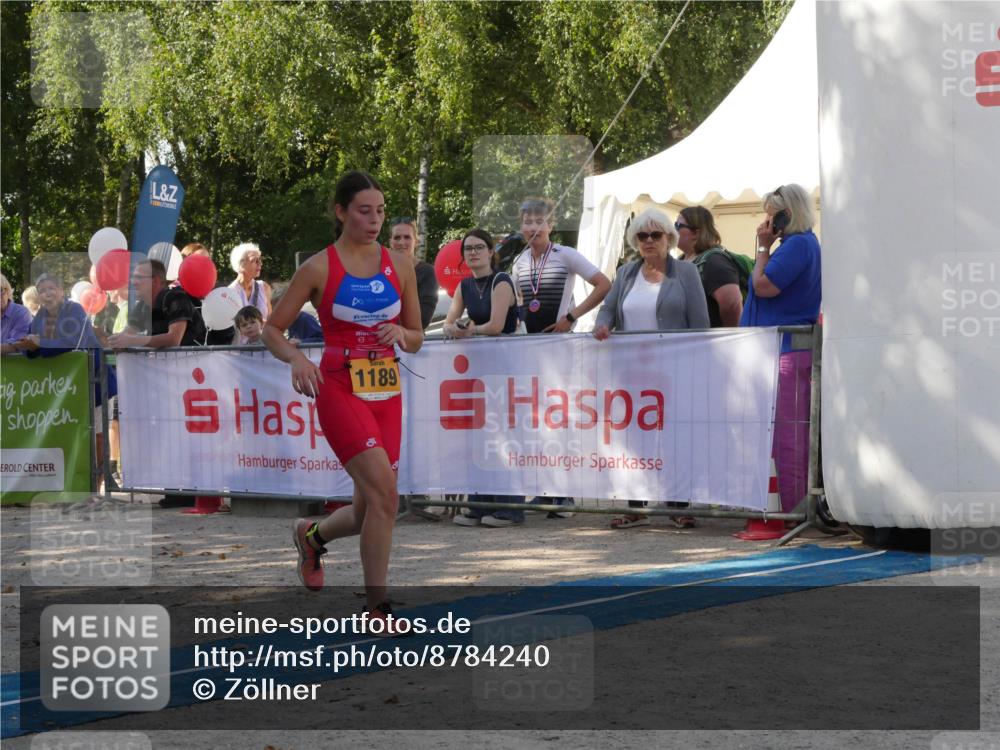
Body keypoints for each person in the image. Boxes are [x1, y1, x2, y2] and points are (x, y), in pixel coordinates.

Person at [260, 170, 423, 628]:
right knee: (387, 497)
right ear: (341, 212)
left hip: (386, 391)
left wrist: (402, 334)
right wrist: (295, 359)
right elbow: (273, 330)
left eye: (380, 212)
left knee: (370, 506)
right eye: (364, 211)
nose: (374, 220)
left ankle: (310, 537)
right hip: (337, 386)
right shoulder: (318, 267)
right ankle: (377, 606)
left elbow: (416, 338)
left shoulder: (401, 265)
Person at [594, 207, 710, 529]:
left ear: (669, 239)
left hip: (675, 372)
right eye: (642, 236)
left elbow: (700, 323)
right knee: (635, 440)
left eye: (655, 235)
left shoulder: (685, 273)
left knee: (675, 438)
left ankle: (678, 504)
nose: (648, 241)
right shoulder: (627, 273)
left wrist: (699, 366)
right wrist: (602, 325)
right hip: (633, 374)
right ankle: (635, 505)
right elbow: (608, 310)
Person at [512, 197, 612, 518]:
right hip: (531, 352)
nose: (533, 227)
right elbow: (516, 305)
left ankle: (565, 494)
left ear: (551, 225)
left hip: (561, 349)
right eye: (527, 221)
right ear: (521, 226)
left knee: (561, 419)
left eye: (540, 220)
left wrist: (572, 315)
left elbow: (603, 284)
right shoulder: (518, 262)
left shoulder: (565, 255)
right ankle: (543, 488)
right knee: (536, 422)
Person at [740, 183, 822, 514]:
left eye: (771, 215)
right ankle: (790, 504)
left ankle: (792, 506)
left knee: (787, 435)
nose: (766, 223)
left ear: (786, 215)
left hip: (786, 351)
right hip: (782, 348)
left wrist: (762, 248)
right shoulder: (801, 244)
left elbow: (764, 286)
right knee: (788, 433)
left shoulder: (796, 246)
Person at [443, 228, 524, 528]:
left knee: (505, 439)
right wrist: (458, 328)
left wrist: (468, 330)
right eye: (468, 249)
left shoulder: (501, 281)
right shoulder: (463, 286)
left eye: (479, 247)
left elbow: (496, 325)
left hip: (506, 369)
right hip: (478, 374)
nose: (473, 252)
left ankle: (511, 508)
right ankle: (479, 505)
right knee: (481, 437)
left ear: (491, 252)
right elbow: (450, 322)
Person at [13, 273, 116, 481]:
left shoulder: (74, 310)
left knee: (98, 433)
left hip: (95, 381)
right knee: (74, 433)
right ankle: (78, 480)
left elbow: (73, 341)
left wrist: (40, 343)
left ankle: (99, 481)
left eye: (52, 288)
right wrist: (29, 346)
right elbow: (33, 347)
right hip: (67, 388)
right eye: (42, 290)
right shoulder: (40, 317)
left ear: (61, 291)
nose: (47, 294)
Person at [110, 259, 206, 349]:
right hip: (171, 363)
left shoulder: (176, 298)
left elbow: (173, 340)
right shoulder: (142, 305)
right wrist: (116, 341)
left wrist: (132, 340)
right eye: (132, 277)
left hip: (196, 363)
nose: (133, 282)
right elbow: (128, 334)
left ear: (155, 281)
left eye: (138, 277)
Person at [675, 206, 743, 327]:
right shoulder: (680, 260)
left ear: (696, 233)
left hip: (710, 342)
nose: (673, 230)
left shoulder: (714, 261)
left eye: (678, 226)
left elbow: (732, 304)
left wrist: (726, 336)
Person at [389, 217, 439, 330]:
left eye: (407, 237)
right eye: (397, 237)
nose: (402, 242)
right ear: (390, 242)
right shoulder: (379, 270)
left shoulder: (427, 272)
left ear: (416, 242)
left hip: (410, 343)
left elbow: (422, 320)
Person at [228, 242, 271, 320]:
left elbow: (271, 319)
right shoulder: (230, 293)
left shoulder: (264, 287)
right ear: (241, 265)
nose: (260, 263)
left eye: (260, 260)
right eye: (255, 260)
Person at [1, 274, 33, 354]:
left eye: (0, 290)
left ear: (8, 291)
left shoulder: (21, 313)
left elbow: (17, 345)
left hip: (18, 365)